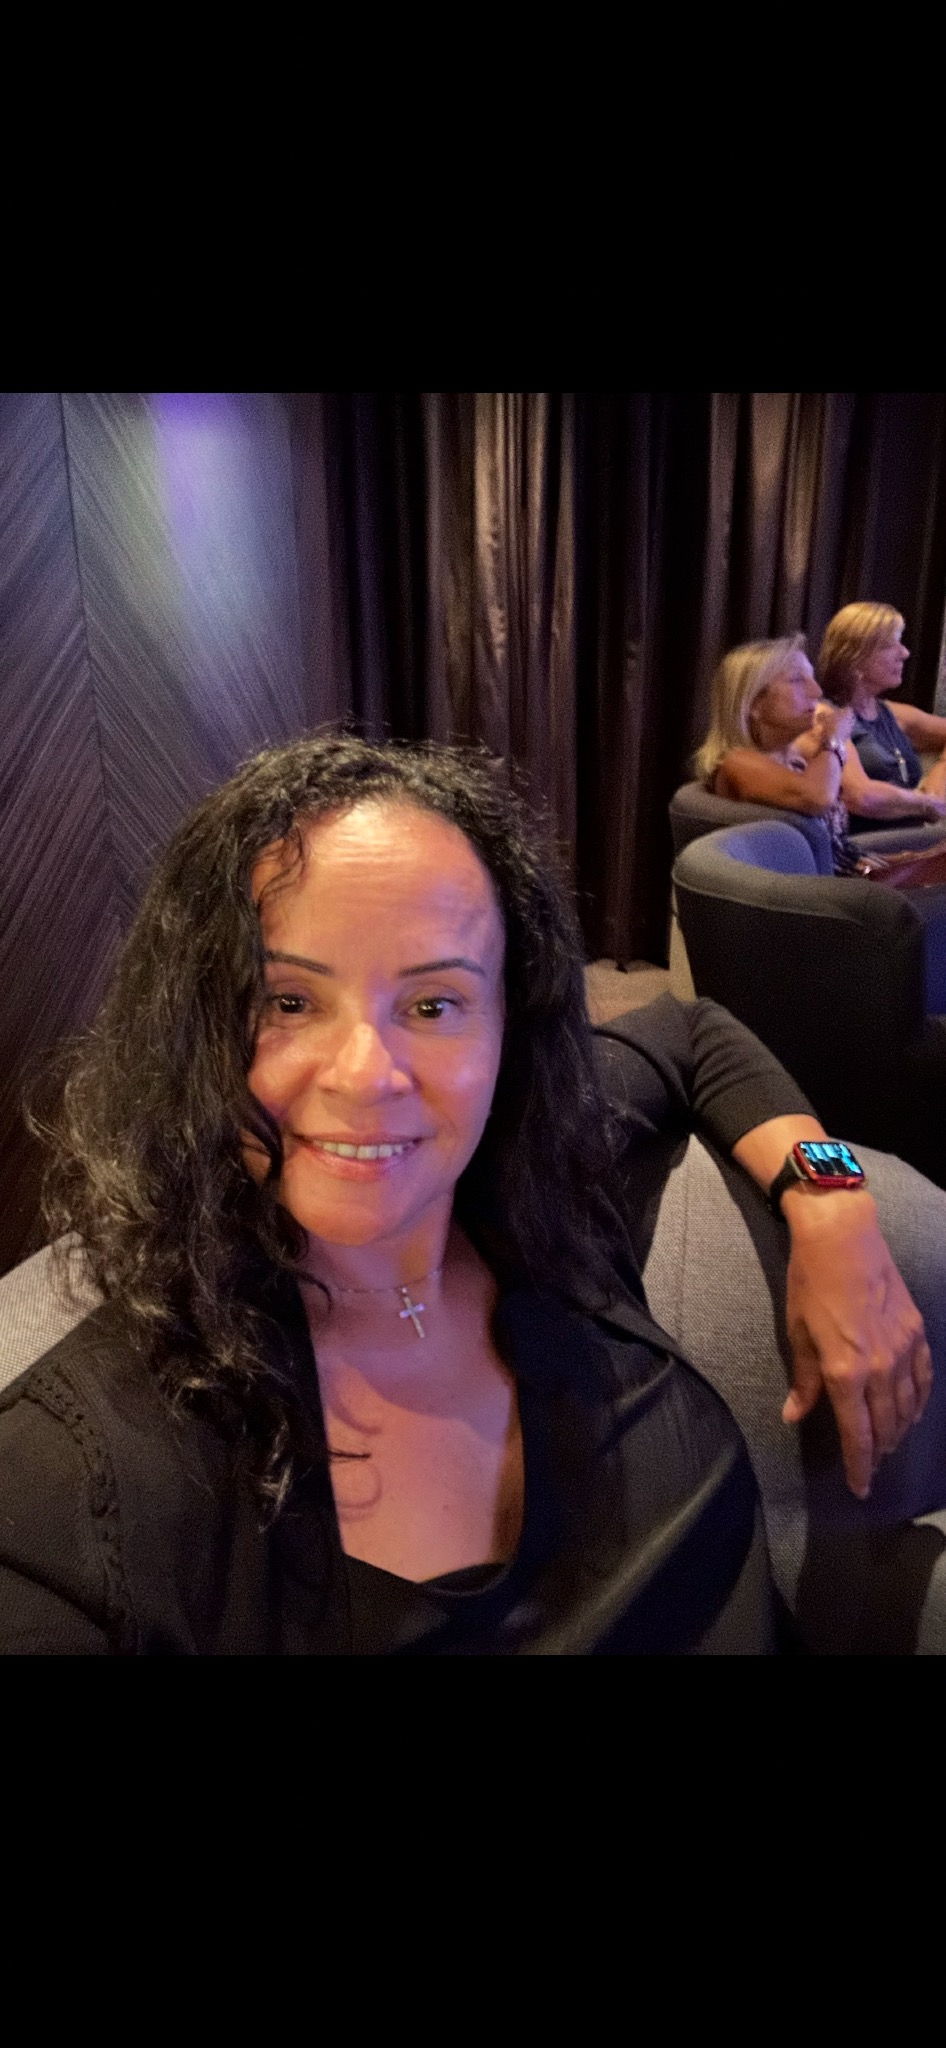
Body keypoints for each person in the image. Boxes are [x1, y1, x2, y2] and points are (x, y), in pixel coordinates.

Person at [0, 736, 935, 1655]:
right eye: (288, 1001)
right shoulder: (81, 1480)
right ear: (197, 1025)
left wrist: (833, 1206)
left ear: (507, 1025)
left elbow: (697, 1032)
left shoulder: (541, 1177)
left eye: (433, 1004)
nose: (366, 1075)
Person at [697, 634, 946, 887]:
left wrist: (908, 861)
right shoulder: (738, 762)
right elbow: (818, 798)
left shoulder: (793, 759)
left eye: (812, 678)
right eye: (797, 680)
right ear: (753, 704)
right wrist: (834, 739)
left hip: (848, 884)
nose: (816, 691)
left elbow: (839, 853)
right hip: (818, 900)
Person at [819, 601, 946, 830]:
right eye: (890, 645)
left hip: (912, 838)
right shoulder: (827, 717)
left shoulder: (893, 713)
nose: (905, 653)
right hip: (865, 845)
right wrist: (927, 803)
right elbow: (862, 798)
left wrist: (937, 786)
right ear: (854, 656)